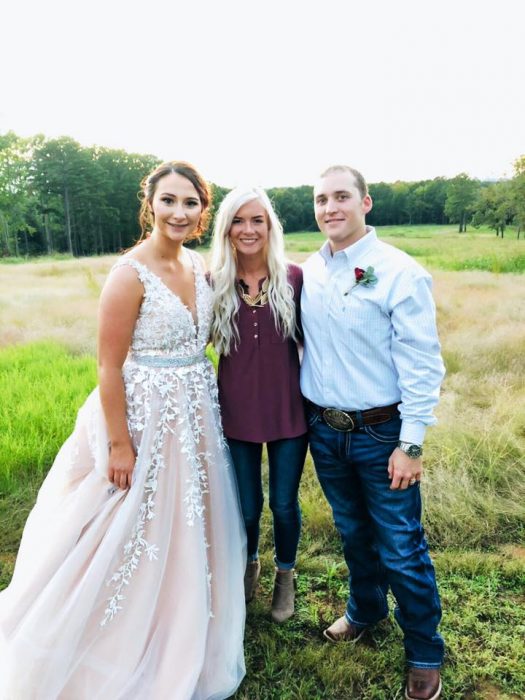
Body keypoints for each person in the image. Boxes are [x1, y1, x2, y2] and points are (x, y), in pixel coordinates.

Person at [0, 161, 246, 700]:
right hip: (142, 415)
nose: (179, 212)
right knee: (124, 517)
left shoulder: (198, 264)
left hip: (194, 414)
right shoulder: (128, 274)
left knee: (185, 520)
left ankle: (181, 620)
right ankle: (97, 633)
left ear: (203, 210)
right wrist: (119, 443)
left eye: (190, 203)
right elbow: (109, 366)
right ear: (150, 204)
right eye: (169, 201)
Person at [301, 165, 445, 700]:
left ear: (366, 202)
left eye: (342, 196)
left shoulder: (400, 272)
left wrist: (411, 444)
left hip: (383, 434)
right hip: (325, 430)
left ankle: (425, 650)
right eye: (321, 199)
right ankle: (365, 610)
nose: (330, 207)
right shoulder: (306, 273)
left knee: (401, 546)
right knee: (352, 533)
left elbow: (422, 364)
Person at [209, 186, 308, 623]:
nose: (248, 230)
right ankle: (249, 564)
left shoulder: (295, 279)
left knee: (283, 504)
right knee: (246, 507)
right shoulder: (212, 283)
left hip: (289, 412)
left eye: (257, 221)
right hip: (235, 414)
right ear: (226, 229)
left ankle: (284, 576)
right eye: (238, 220)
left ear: (270, 227)